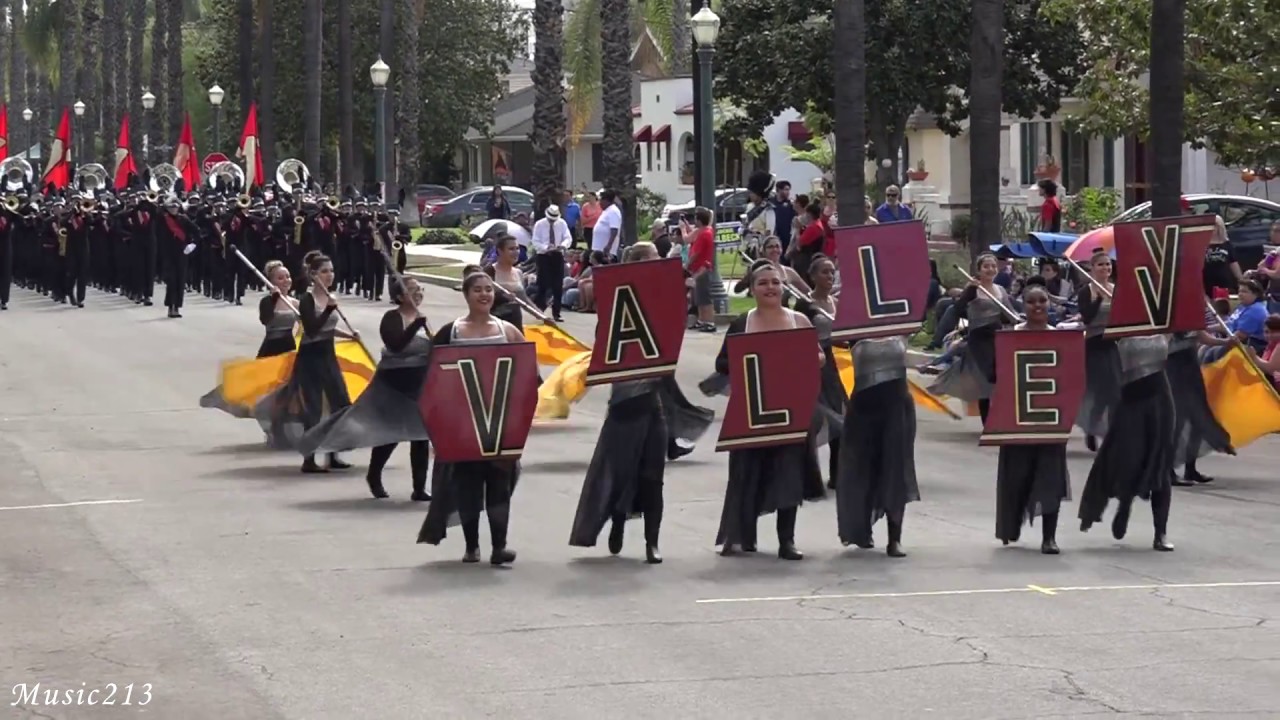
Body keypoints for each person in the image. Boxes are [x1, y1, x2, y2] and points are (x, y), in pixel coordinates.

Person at [706, 260, 826, 560]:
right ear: (753, 289)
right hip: (753, 409)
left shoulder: (800, 321)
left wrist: (815, 358)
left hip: (791, 409)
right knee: (746, 473)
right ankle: (740, 536)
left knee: (789, 474)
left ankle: (787, 541)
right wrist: (752, 360)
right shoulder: (742, 322)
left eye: (775, 282)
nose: (770, 287)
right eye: (763, 283)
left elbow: (818, 356)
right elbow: (722, 363)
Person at [569, 242, 672, 563]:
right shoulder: (617, 301)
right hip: (625, 403)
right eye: (654, 258)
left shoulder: (662, 300)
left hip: (654, 401)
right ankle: (616, 522)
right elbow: (607, 346)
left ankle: (651, 543)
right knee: (621, 472)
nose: (660, 262)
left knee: (654, 476)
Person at [418, 271, 526, 565]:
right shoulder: (450, 332)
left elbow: (526, 379)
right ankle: (471, 546)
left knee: (499, 484)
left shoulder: (510, 332)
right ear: (466, 295)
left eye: (488, 290)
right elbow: (433, 381)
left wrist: (518, 422)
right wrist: (438, 429)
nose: (484, 295)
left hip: (498, 423)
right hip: (463, 425)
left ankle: (499, 547)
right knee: (468, 485)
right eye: (477, 290)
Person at [298, 277, 433, 501]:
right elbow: (395, 345)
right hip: (393, 384)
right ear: (400, 297)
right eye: (413, 290)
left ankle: (419, 488)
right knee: (391, 434)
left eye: (420, 289)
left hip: (419, 384)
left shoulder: (425, 321)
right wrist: (416, 325)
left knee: (421, 435)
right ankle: (374, 475)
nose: (418, 293)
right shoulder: (392, 317)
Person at [258, 250, 360, 473]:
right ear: (313, 275)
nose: (329, 275)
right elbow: (312, 329)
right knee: (312, 409)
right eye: (324, 271)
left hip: (328, 355)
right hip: (310, 357)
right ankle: (309, 459)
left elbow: (329, 328)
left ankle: (333, 454)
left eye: (331, 271)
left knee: (340, 404)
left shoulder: (330, 298)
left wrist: (350, 335)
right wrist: (330, 310)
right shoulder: (306, 299)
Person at [1078, 332, 1175, 552]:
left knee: (1160, 464)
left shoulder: (1163, 322)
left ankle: (1160, 532)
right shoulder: (1119, 327)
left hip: (1160, 400)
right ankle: (1124, 503)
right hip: (1130, 400)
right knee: (1127, 458)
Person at [994, 285, 1070, 554]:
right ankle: (1010, 526)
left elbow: (1071, 379)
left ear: (1049, 303)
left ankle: (1049, 537)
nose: (1037, 306)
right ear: (1022, 304)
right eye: (1031, 302)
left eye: (1042, 301)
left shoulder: (1062, 338)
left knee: (1051, 477)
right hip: (1017, 417)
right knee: (1017, 475)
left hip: (1050, 418)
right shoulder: (1009, 337)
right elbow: (997, 375)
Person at [199, 260, 299, 421]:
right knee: (265, 393)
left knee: (287, 392)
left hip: (289, 349)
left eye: (288, 276)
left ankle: (282, 425)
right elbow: (265, 319)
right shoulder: (267, 302)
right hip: (272, 349)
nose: (286, 280)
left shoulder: (295, 303)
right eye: (280, 278)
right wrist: (274, 299)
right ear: (271, 282)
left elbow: (308, 324)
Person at [929, 252, 1012, 422]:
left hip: (997, 337)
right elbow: (958, 308)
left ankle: (999, 418)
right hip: (979, 340)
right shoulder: (973, 289)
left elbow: (1009, 313)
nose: (990, 269)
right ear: (979, 270)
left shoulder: (1001, 290)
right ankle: (987, 422)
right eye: (986, 266)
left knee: (1000, 379)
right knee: (985, 380)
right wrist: (971, 289)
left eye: (993, 266)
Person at [1075, 250, 1121, 451]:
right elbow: (1086, 317)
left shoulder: (1116, 289)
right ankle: (1092, 427)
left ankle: (1111, 434)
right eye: (1101, 265)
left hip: (1113, 344)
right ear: (1092, 269)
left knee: (1115, 391)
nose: (1105, 268)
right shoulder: (1086, 291)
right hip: (1094, 344)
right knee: (1101, 391)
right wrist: (1100, 299)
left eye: (1108, 264)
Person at [530, 204, 571, 321]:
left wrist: (562, 246)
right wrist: (545, 247)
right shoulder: (539, 224)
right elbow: (535, 240)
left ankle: (556, 312)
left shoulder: (562, 223)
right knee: (543, 283)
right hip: (544, 256)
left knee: (557, 285)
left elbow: (568, 237)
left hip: (557, 255)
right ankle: (539, 309)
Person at [682, 206, 718, 333]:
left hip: (701, 269)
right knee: (699, 297)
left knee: (705, 298)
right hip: (700, 268)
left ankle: (709, 321)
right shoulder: (706, 231)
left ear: (699, 220)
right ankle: (702, 320)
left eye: (696, 218)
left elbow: (696, 254)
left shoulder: (704, 234)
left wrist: (687, 265)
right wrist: (686, 225)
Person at [1202, 215, 1242, 298]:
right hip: (1207, 281)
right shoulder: (1201, 244)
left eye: (1215, 226)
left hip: (1224, 281)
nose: (1213, 228)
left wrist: (1241, 280)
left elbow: (1233, 262)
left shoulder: (1226, 244)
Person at [590, 190, 623, 260]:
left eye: (601, 200)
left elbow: (614, 230)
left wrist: (609, 245)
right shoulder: (606, 211)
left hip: (606, 251)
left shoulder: (613, 211)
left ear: (606, 200)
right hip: (598, 250)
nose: (599, 203)